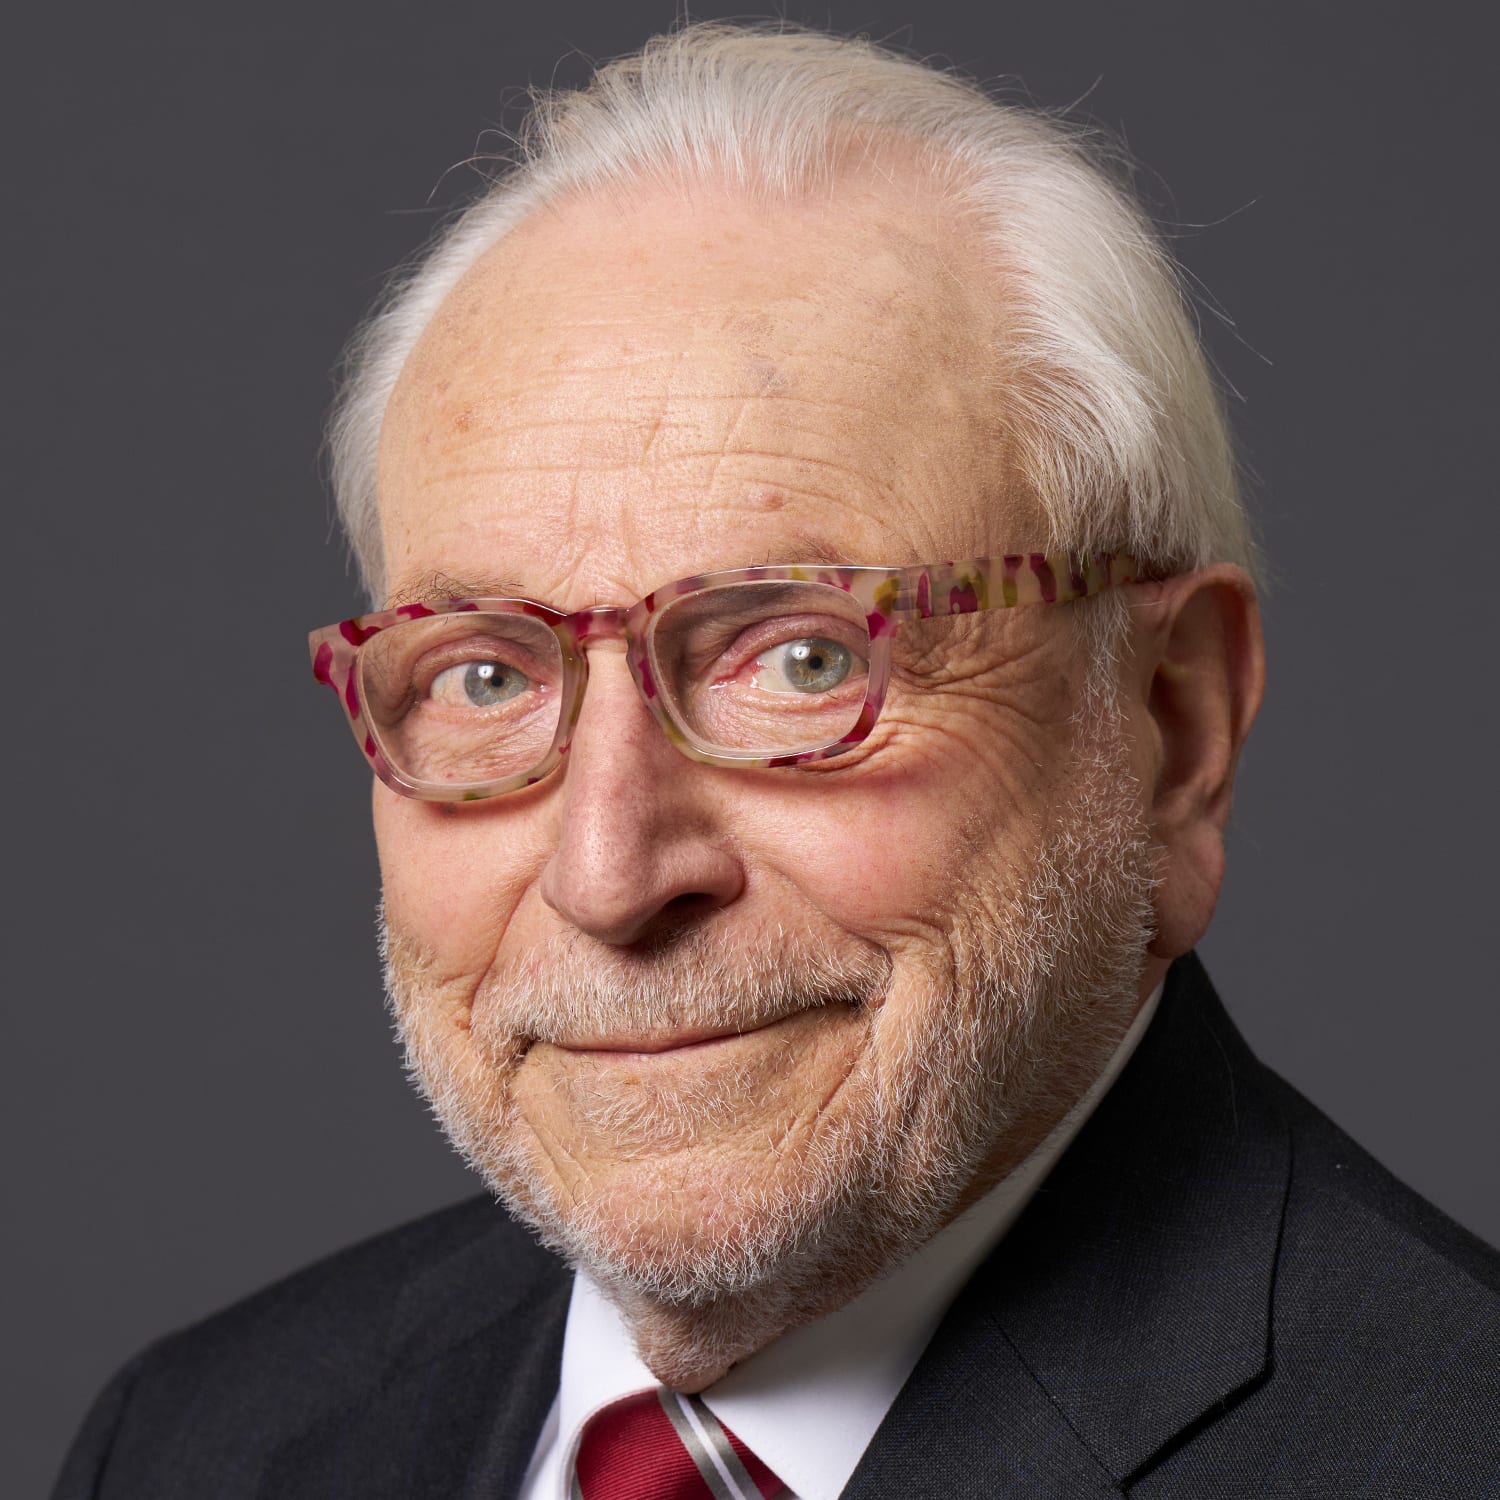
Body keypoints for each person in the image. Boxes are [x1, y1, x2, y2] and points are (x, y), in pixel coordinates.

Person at [53, 22, 1500, 1499]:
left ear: (1170, 728)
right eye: (486, 674)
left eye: (804, 659)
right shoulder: (191, 1445)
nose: (609, 874)